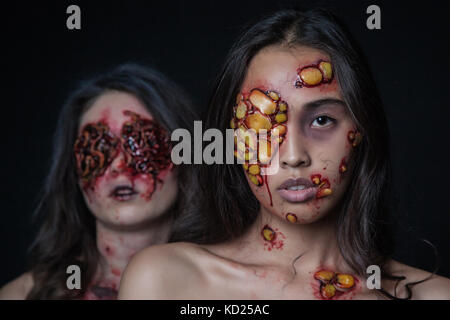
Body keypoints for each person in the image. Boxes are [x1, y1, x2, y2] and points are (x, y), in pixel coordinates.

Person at [118, 9, 450, 300]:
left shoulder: (434, 295)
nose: (293, 155)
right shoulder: (165, 281)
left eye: (322, 120)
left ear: (362, 130)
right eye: (262, 125)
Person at [0, 63, 196, 299]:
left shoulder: (226, 288)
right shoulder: (20, 295)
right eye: (99, 147)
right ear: (74, 171)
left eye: (140, 144)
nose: (119, 166)